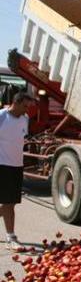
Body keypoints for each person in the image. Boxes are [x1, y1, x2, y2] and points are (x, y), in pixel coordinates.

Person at [0, 92, 33, 250]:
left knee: (10, 202)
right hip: (2, 165)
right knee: (8, 203)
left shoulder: (25, 119)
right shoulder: (2, 116)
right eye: (25, 106)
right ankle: (11, 237)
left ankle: (10, 235)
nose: (27, 110)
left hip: (17, 166)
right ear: (16, 103)